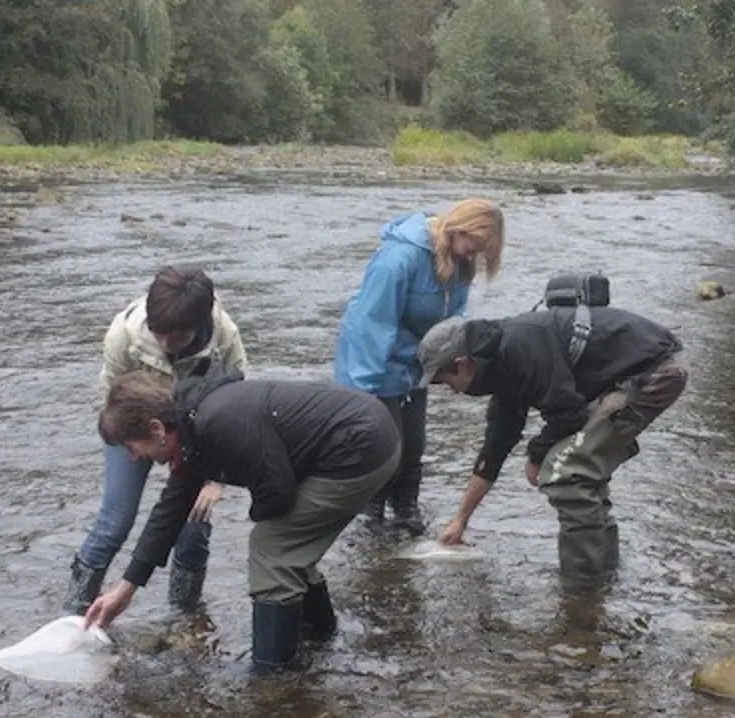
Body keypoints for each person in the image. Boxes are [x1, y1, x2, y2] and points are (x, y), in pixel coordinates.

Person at [82, 365, 400, 675]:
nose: (133, 457)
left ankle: (272, 676)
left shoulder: (216, 422)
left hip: (360, 447)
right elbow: (168, 513)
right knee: (286, 544)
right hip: (362, 435)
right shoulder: (190, 429)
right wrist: (125, 589)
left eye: (131, 447)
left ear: (156, 430)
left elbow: (276, 491)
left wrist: (262, 522)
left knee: (272, 549)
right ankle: (319, 637)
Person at [416, 305, 687, 586]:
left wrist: (536, 456)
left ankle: (582, 588)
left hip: (654, 371)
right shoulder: (502, 371)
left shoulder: (520, 346)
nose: (451, 391)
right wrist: (460, 520)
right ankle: (604, 575)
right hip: (632, 374)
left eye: (445, 381)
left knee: (566, 473)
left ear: (462, 363)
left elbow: (568, 413)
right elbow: (493, 452)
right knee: (578, 469)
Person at [62, 267, 249, 616]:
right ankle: (75, 610)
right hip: (132, 427)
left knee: (194, 522)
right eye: (158, 333)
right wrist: (134, 443)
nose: (164, 343)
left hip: (196, 433)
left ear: (197, 325)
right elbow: (113, 408)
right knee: (116, 520)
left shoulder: (224, 336)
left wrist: (216, 480)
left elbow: (234, 409)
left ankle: (184, 615)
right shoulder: (123, 336)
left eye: (174, 337)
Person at [333, 198, 505, 533]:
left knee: (413, 447)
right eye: (473, 245)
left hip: (415, 363)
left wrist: (450, 359)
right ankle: (369, 518)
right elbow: (371, 324)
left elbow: (454, 318)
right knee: (385, 448)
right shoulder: (399, 258)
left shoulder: (460, 262)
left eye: (481, 251)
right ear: (458, 229)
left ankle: (406, 512)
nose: (473, 255)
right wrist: (364, 391)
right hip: (374, 360)